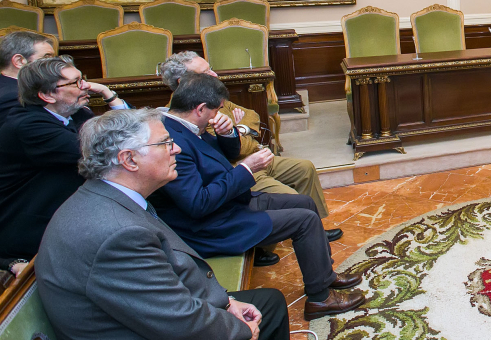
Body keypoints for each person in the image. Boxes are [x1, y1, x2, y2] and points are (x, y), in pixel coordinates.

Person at [35, 108, 291, 340]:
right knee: (265, 310)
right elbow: (180, 322)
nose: (177, 149)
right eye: (166, 143)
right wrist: (240, 331)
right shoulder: (118, 234)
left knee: (269, 301)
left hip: (158, 314)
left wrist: (226, 303)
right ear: (130, 160)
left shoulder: (108, 196)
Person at [152, 75, 363, 320]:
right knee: (304, 220)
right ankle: (320, 298)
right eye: (216, 110)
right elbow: (197, 204)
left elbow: (222, 156)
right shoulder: (174, 140)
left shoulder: (186, 126)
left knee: (305, 202)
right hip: (211, 225)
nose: (218, 115)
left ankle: (325, 274)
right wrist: (246, 169)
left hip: (229, 204)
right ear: (200, 109)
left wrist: (228, 133)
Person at [0, 57, 129, 272]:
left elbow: (122, 138)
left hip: (64, 221)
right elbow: (112, 150)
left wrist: (108, 94)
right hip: (26, 233)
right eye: (75, 82)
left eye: (82, 79)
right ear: (47, 94)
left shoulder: (77, 113)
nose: (85, 86)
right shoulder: (29, 125)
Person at [158, 52, 329, 220]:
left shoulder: (212, 96)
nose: (214, 75)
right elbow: (238, 150)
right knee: (291, 197)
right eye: (205, 73)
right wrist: (237, 132)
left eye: (211, 69)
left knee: (305, 168)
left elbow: (252, 115)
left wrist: (238, 130)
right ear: (183, 82)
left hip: (253, 157)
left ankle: (316, 225)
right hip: (238, 168)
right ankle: (295, 228)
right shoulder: (190, 113)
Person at [0, 30, 56, 138]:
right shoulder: (13, 97)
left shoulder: (4, 88)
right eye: (46, 58)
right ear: (19, 61)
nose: (54, 64)